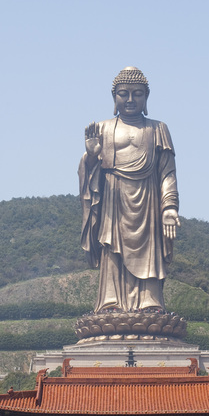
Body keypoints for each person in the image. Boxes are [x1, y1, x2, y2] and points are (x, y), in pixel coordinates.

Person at [79, 67, 180, 313]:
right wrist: (92, 158)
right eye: (124, 94)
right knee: (111, 246)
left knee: (149, 249)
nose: (131, 100)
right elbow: (89, 173)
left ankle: (150, 302)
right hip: (113, 198)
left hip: (148, 199)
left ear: (146, 98)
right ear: (114, 98)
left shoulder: (158, 129)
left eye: (138, 94)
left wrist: (169, 207)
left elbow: (167, 172)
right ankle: (110, 302)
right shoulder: (103, 129)